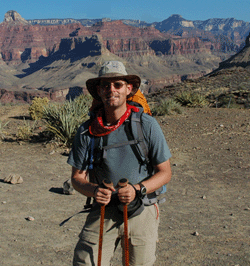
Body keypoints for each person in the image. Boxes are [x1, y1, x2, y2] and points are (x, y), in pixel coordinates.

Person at [67, 61, 172, 266]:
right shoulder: (87, 131)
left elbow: (165, 172)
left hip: (142, 208)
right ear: (99, 91)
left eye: (118, 85)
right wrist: (94, 190)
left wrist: (137, 189)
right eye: (106, 86)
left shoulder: (146, 125)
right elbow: (77, 178)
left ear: (129, 89)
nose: (111, 90)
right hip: (103, 210)